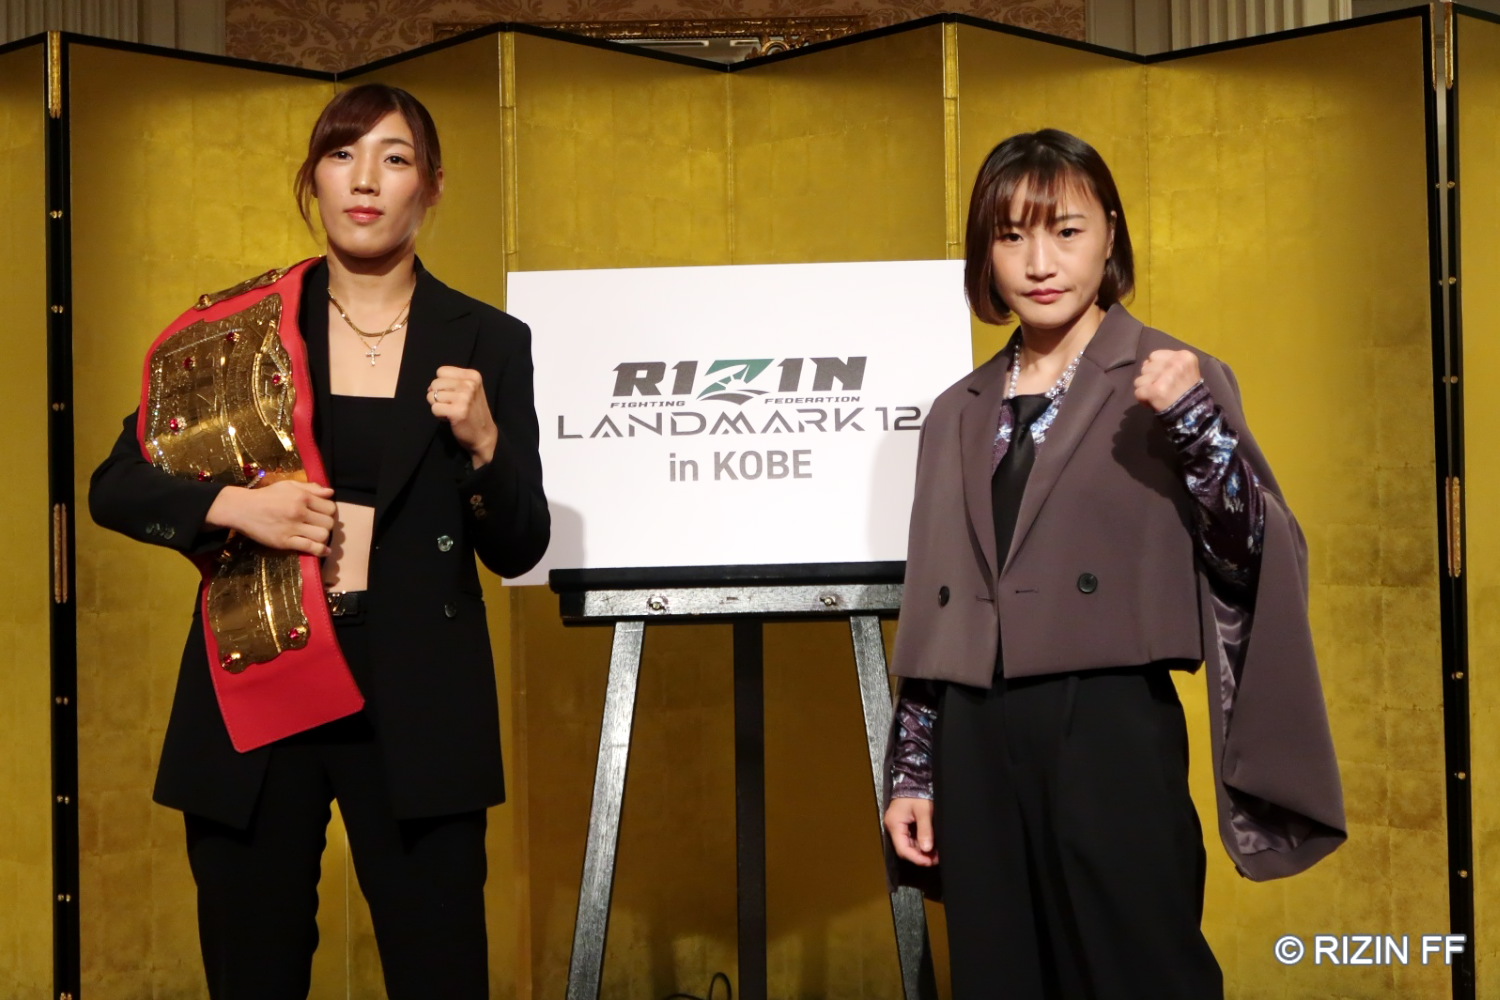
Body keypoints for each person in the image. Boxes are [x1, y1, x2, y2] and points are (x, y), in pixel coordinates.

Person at [88, 84, 548, 1000]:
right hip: (266, 668)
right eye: (342, 155)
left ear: (432, 187)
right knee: (252, 969)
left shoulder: (488, 341)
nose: (365, 179)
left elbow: (519, 544)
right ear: (315, 179)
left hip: (415, 688)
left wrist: (487, 444)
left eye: (394, 158)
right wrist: (234, 506)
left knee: (440, 969)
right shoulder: (240, 332)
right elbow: (116, 485)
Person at [880, 129, 1344, 999]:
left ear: (1110, 235)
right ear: (985, 252)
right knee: (998, 976)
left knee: (1141, 972)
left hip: (1109, 724)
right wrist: (913, 769)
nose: (1040, 262)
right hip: (976, 738)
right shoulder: (956, 411)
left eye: (1066, 231)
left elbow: (1251, 557)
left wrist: (1193, 421)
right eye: (1011, 237)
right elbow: (943, 606)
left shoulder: (1172, 375)